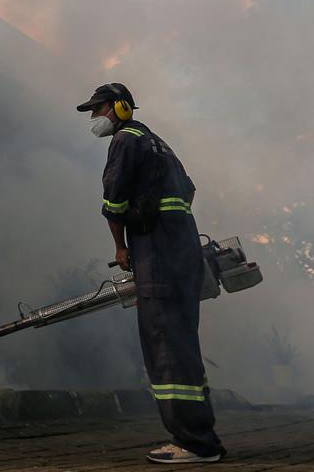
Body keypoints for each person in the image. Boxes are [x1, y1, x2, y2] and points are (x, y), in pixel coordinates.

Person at [77, 82, 226, 464]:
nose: (95, 117)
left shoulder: (126, 141)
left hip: (156, 256)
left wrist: (122, 246)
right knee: (182, 345)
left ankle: (193, 444)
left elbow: (113, 202)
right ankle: (202, 437)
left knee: (165, 348)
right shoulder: (158, 142)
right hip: (184, 253)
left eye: (99, 109)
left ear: (121, 107)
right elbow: (188, 191)